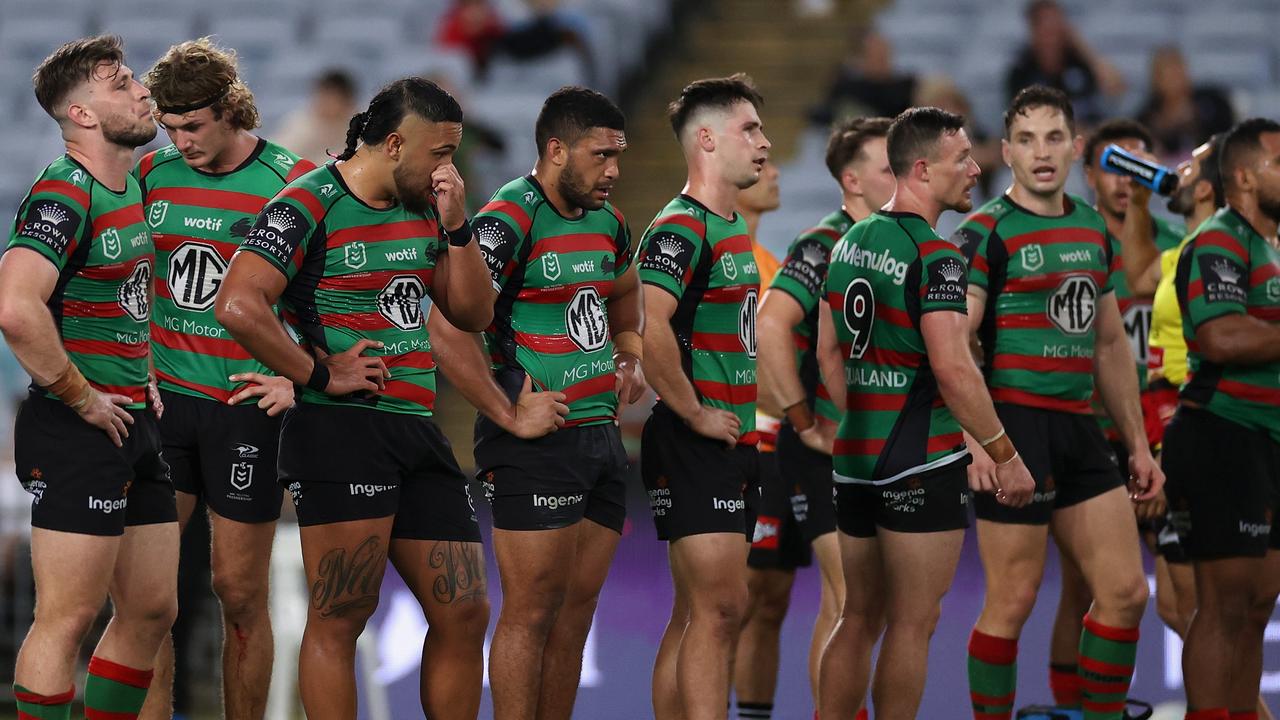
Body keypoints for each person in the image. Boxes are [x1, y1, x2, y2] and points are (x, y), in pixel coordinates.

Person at [214, 77, 494, 720]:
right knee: (343, 615)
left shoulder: (428, 205)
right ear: (396, 143)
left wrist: (458, 227)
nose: (448, 168)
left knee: (465, 611)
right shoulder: (307, 202)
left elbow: (473, 313)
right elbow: (238, 304)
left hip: (416, 428)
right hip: (341, 431)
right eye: (441, 153)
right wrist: (318, 373)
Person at [428, 85, 641, 720]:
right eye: (601, 155)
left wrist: (628, 353)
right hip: (534, 445)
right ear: (555, 150)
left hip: (601, 437)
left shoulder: (609, 221)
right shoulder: (507, 220)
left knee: (576, 616)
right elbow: (446, 326)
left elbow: (625, 289)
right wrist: (507, 412)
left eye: (619, 156)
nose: (614, 170)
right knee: (531, 611)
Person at [816, 106, 1034, 720]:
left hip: (855, 457)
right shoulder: (937, 256)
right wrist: (1004, 455)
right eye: (961, 158)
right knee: (913, 624)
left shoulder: (849, 239)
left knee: (856, 616)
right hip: (919, 460)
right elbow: (954, 367)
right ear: (921, 168)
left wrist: (859, 414)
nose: (974, 168)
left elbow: (827, 350)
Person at [951, 85, 1163, 720]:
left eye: (1052, 138)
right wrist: (977, 444)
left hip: (1078, 429)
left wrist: (1138, 445)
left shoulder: (1092, 226)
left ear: (1075, 148)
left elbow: (1106, 346)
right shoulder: (983, 231)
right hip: (1012, 428)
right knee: (1012, 600)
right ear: (1007, 154)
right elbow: (957, 345)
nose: (1040, 152)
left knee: (1125, 592)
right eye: (1025, 139)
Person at [130, 37, 316, 720]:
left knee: (238, 593)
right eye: (170, 127)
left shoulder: (292, 183)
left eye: (193, 126)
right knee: (145, 598)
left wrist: (301, 380)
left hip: (245, 409)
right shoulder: (151, 174)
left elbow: (331, 297)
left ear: (231, 108)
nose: (181, 141)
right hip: (165, 406)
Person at [0, 35, 176, 720]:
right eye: (122, 83)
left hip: (134, 416)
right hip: (77, 426)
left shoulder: (128, 181)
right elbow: (16, 309)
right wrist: (80, 395)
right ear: (81, 114)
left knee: (153, 610)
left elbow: (127, 296)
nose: (141, 91)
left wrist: (145, 368)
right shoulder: (63, 195)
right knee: (66, 618)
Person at [755, 116, 895, 719]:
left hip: (882, 452)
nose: (901, 175)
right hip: (820, 452)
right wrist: (803, 418)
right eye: (888, 166)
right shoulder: (822, 242)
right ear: (851, 178)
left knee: (862, 606)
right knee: (848, 601)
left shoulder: (901, 240)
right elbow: (770, 325)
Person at [638, 73, 768, 720]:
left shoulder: (726, 226)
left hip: (728, 439)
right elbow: (650, 323)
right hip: (695, 442)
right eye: (750, 129)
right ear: (708, 140)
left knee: (699, 613)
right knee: (719, 611)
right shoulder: (681, 226)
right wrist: (691, 411)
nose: (764, 143)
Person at [1044, 117, 1184, 711]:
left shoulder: (1176, 244)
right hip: (1091, 437)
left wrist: (1153, 448)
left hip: (1166, 434)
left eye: (1139, 164)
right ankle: (1078, 707)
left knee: (1183, 600)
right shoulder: (1068, 241)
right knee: (1083, 584)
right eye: (1114, 166)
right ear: (1090, 174)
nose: (1126, 180)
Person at [1163, 117, 1280, 720]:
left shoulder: (1273, 245)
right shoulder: (1219, 240)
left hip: (1267, 440)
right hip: (1221, 431)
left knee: (1258, 604)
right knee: (1225, 602)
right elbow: (1220, 335)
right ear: (1242, 176)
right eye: (1278, 164)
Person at [731, 158, 802, 720]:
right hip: (743, 448)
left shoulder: (771, 263)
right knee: (733, 602)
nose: (774, 172)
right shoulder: (723, 260)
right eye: (762, 163)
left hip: (783, 446)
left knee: (772, 601)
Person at [1004, 0, 1124, 125]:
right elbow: (1018, 122)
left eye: (1056, 25)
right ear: (1033, 30)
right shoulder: (1022, 71)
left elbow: (1116, 89)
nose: (1052, 35)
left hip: (1091, 132)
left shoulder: (1080, 61)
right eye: (1045, 27)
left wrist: (1083, 47)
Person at [1136, 46, 1234, 164]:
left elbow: (1227, 137)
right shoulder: (1147, 119)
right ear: (1156, 80)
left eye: (1178, 70)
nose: (1175, 80)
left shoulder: (1213, 103)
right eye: (1168, 74)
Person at [809, 27, 915, 127]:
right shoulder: (848, 88)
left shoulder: (905, 86)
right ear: (860, 60)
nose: (885, 61)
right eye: (877, 55)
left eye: (885, 53)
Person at [274, 69, 359, 165]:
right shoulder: (300, 125)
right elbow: (276, 158)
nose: (329, 104)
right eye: (326, 97)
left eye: (334, 99)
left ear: (348, 101)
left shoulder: (359, 128)